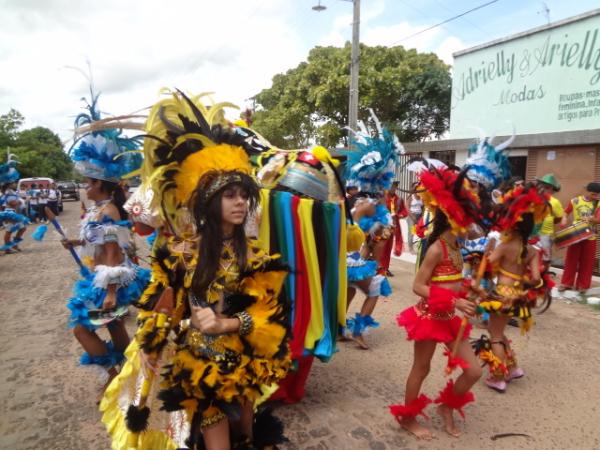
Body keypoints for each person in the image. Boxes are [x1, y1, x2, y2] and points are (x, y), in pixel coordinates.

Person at [100, 91, 291, 449]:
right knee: (216, 435)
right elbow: (161, 306)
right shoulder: (179, 252)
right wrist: (154, 336)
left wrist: (228, 324)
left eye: (243, 195)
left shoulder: (256, 255)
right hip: (200, 365)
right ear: (207, 200)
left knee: (246, 433)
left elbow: (272, 316)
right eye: (229, 195)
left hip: (247, 359)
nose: (240, 202)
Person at [62, 91, 150, 397]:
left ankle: (113, 375)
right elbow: (98, 242)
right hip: (102, 276)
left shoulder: (110, 211)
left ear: (100, 184)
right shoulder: (101, 210)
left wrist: (111, 291)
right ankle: (130, 372)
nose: (86, 187)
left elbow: (113, 253)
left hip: (110, 280)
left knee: (81, 329)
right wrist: (74, 240)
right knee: (114, 327)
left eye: (89, 182)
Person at [390, 163, 483, 439]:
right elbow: (418, 286)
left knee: (474, 371)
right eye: (467, 217)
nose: (472, 224)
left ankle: (446, 407)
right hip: (431, 317)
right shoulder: (436, 248)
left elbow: (450, 281)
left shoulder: (456, 245)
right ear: (452, 216)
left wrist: (470, 290)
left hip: (450, 317)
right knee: (422, 367)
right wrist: (454, 302)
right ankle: (406, 418)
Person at [476, 183, 547, 392]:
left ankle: (498, 377)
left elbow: (487, 264)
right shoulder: (532, 250)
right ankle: (513, 367)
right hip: (518, 296)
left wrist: (488, 253)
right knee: (498, 330)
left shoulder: (506, 246)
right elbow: (535, 279)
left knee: (495, 334)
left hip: (501, 294)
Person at [558, 182, 600, 294]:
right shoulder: (575, 201)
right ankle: (566, 283)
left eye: (597, 195)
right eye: (593, 194)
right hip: (575, 234)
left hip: (590, 236)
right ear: (586, 191)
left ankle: (583, 285)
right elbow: (566, 212)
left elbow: (599, 219)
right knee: (571, 259)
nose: (595, 197)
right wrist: (564, 219)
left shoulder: (598, 204)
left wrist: (592, 219)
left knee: (587, 261)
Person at [536, 174, 563, 263]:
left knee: (545, 258)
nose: (544, 188)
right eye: (542, 185)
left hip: (545, 235)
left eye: (547, 187)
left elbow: (558, 218)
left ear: (552, 189)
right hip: (532, 234)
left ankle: (544, 275)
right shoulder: (533, 198)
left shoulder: (555, 202)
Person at [407, 185, 423, 254]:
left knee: (421, 231)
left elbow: (423, 207)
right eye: (417, 189)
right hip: (411, 216)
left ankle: (419, 247)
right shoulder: (411, 197)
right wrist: (412, 217)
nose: (418, 191)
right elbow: (407, 207)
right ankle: (410, 248)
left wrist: (422, 216)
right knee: (411, 232)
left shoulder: (421, 197)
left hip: (419, 216)